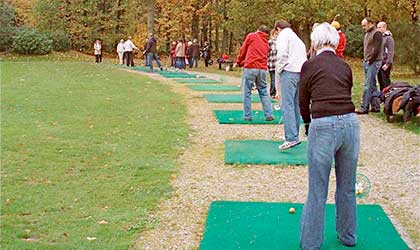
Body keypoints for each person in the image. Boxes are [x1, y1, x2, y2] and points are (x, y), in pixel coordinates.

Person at [299, 22, 360, 250]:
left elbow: (303, 102)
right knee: (347, 186)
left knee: (317, 188)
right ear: (334, 42)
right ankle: (348, 237)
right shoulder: (345, 67)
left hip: (323, 124)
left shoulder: (309, 65)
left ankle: (310, 244)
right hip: (350, 124)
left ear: (315, 42)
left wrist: (307, 125)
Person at [274, 20, 307, 150]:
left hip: (289, 71)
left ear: (277, 29)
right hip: (301, 72)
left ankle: (291, 138)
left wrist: (280, 68)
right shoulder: (296, 38)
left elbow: (282, 54)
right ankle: (294, 135)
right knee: (295, 105)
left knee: (287, 105)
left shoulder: (283, 36)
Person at [235, 25, 274, 121]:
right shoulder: (267, 42)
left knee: (247, 91)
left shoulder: (252, 36)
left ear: (258, 30)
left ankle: (247, 116)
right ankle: (269, 114)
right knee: (263, 91)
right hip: (263, 69)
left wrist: (239, 62)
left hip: (250, 67)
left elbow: (243, 49)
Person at [356, 17, 384, 114]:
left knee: (367, 85)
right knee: (372, 85)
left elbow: (376, 49)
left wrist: (370, 60)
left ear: (370, 23)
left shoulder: (377, 33)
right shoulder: (367, 33)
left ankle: (364, 107)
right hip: (368, 61)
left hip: (374, 62)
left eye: (364, 25)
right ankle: (376, 106)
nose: (363, 27)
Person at [377, 21, 394, 90]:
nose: (378, 29)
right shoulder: (380, 37)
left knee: (385, 82)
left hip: (385, 63)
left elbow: (390, 52)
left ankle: (389, 96)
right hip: (379, 62)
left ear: (384, 27)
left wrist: (388, 63)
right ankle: (382, 96)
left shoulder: (389, 38)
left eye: (380, 27)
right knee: (380, 81)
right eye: (377, 27)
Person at [268, 29, 278, 98]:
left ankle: (276, 92)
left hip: (279, 64)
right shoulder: (270, 42)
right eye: (275, 34)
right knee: (273, 79)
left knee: (278, 80)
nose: (277, 35)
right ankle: (272, 93)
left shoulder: (281, 42)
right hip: (272, 64)